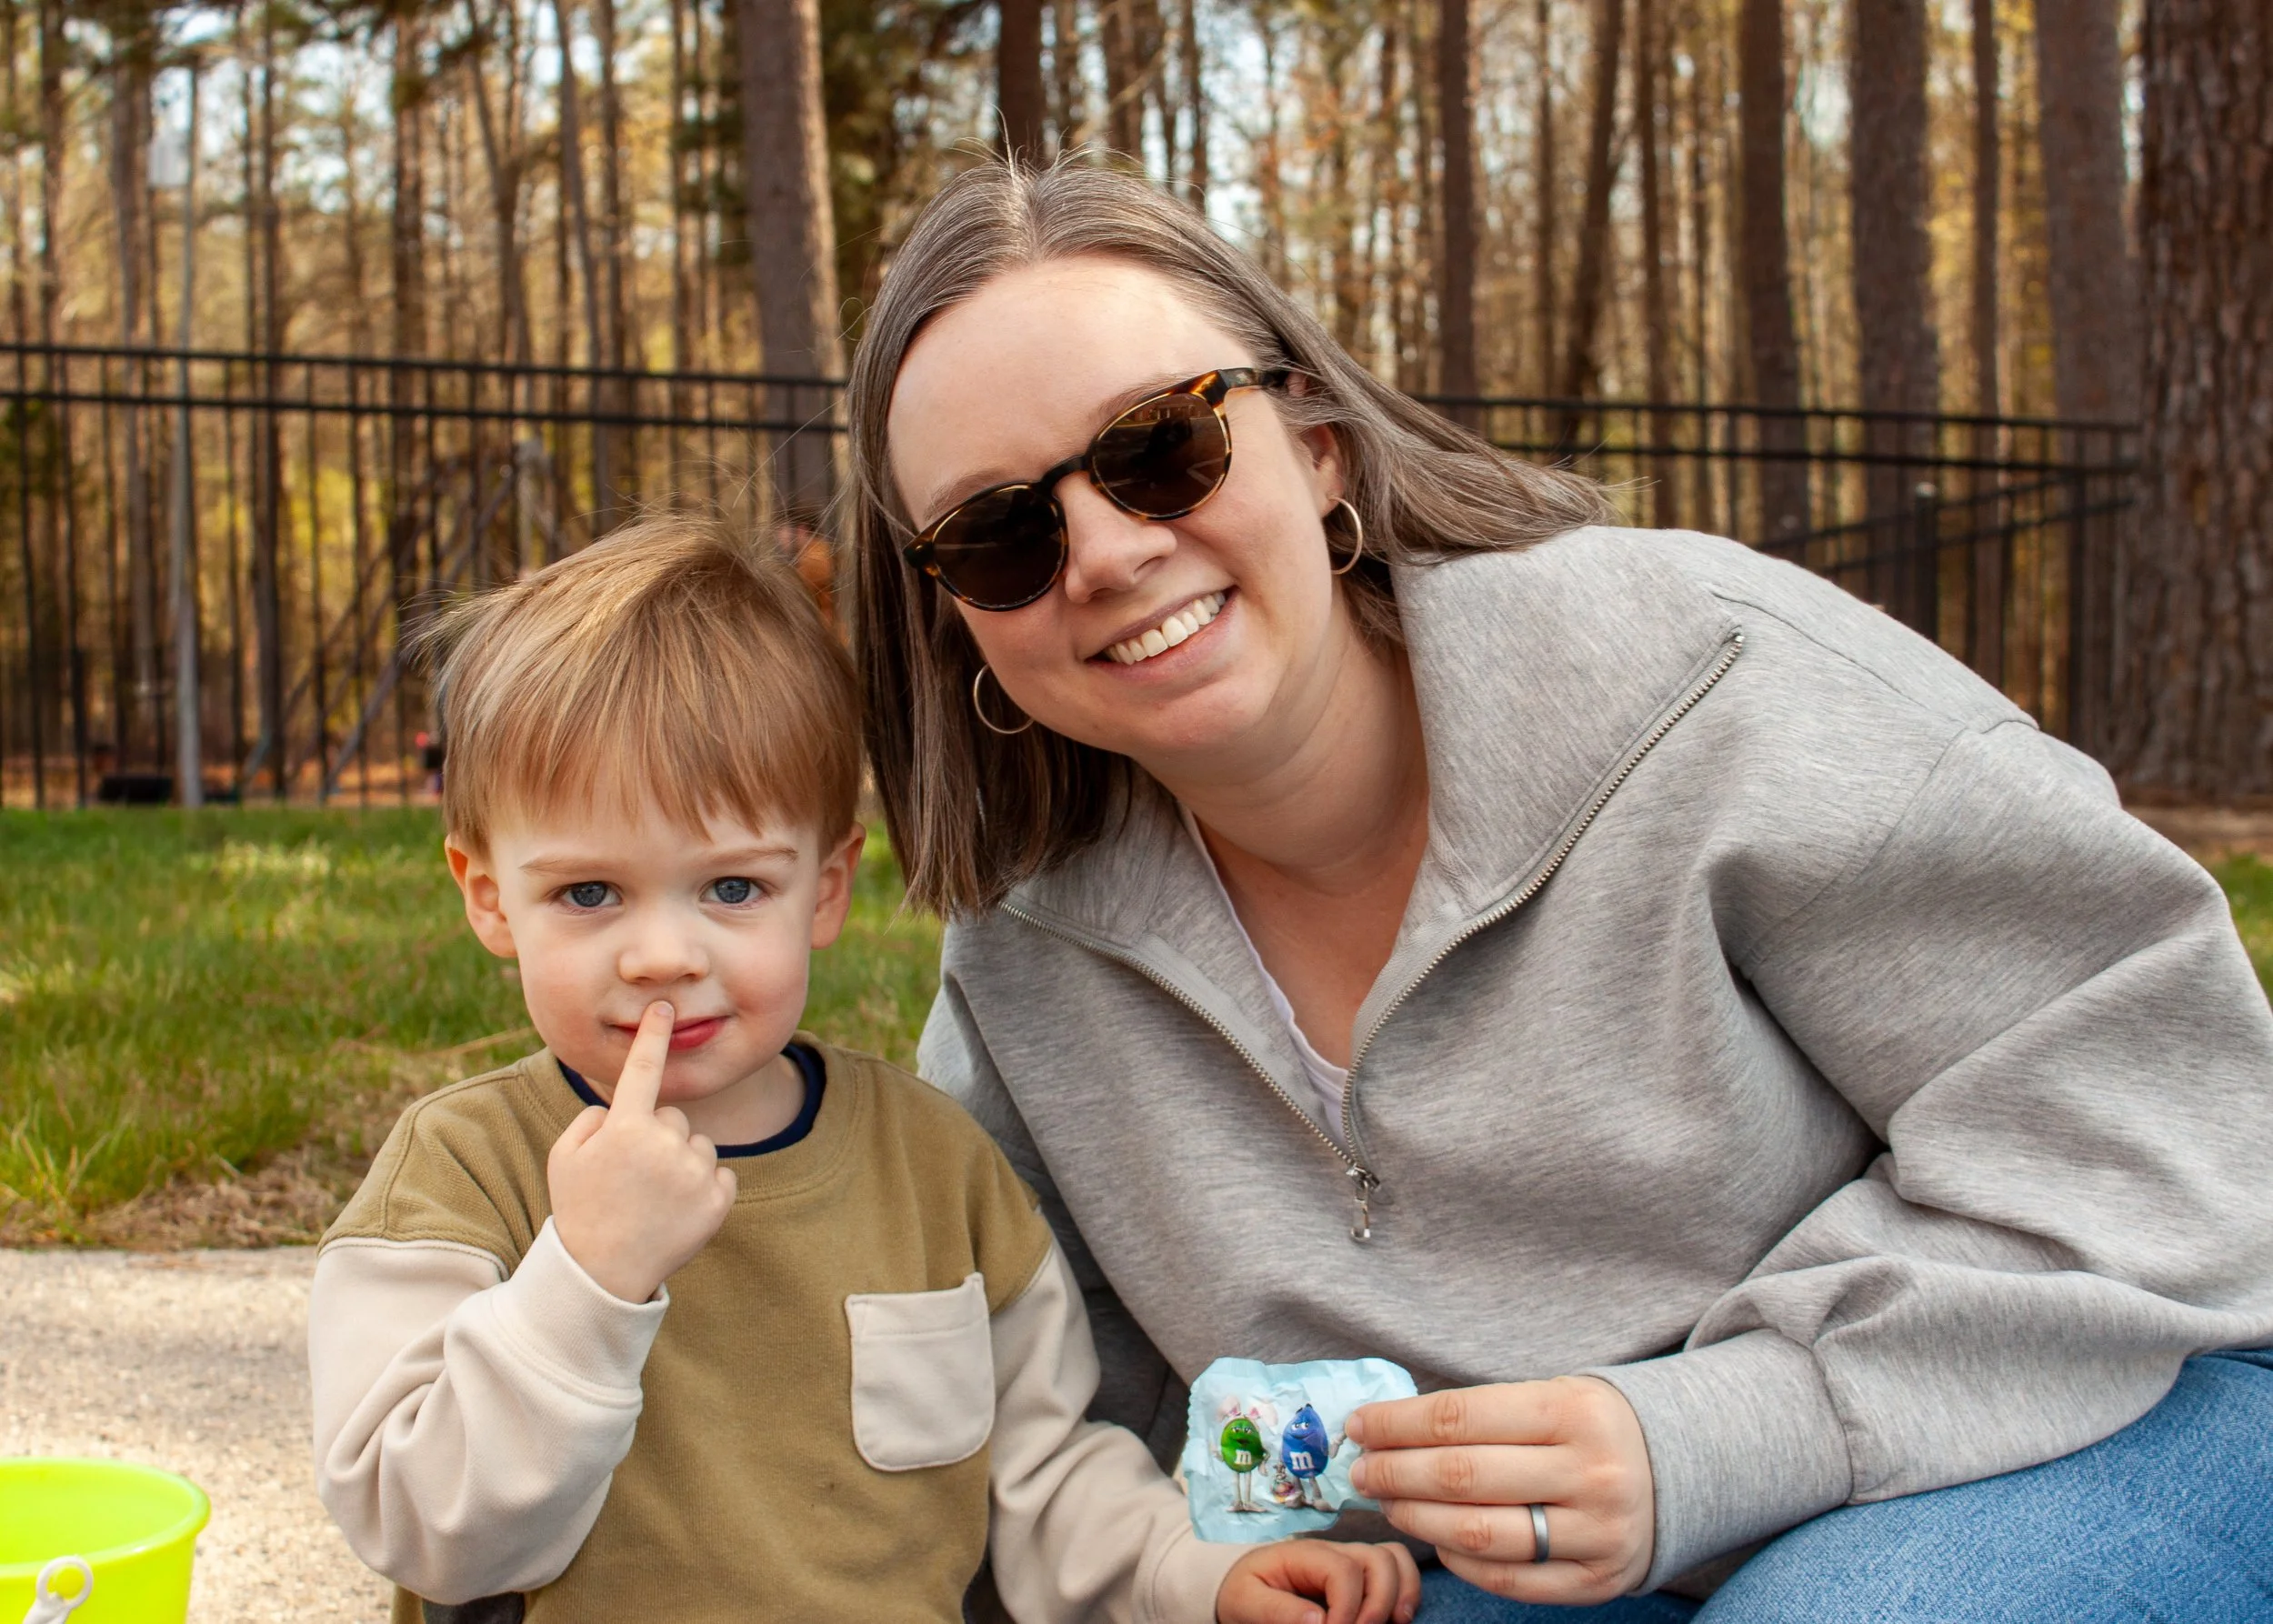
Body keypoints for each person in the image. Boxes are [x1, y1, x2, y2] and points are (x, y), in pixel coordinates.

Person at [846, 160, 2273, 1622]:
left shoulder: (1711, 691)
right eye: (1000, 533)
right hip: (1506, 1573)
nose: (1106, 551)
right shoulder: (1024, 949)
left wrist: (1718, 1430)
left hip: (2059, 1411)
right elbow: (1038, 1411)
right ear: (954, 611)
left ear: (1320, 445)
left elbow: (2178, 1136)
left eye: (1161, 448)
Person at [306, 517, 1421, 1624]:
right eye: (588, 893)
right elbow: (420, 1524)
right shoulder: (457, 1179)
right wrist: (586, 1281)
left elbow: (1038, 1478)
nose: (661, 955)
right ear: (488, 895)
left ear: (827, 886)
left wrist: (1195, 1573)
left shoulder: (937, 1173)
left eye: (733, 888)